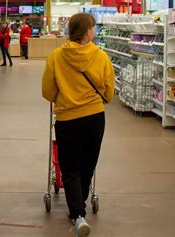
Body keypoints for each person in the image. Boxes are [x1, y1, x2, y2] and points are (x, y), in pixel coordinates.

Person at [41, 13, 114, 237]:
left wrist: (64, 95)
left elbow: (47, 92)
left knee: (69, 168)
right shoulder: (101, 57)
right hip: (94, 118)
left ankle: (78, 215)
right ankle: (78, 209)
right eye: (93, 27)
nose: (94, 31)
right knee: (87, 165)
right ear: (87, 31)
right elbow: (109, 93)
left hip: (67, 119)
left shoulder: (56, 56)